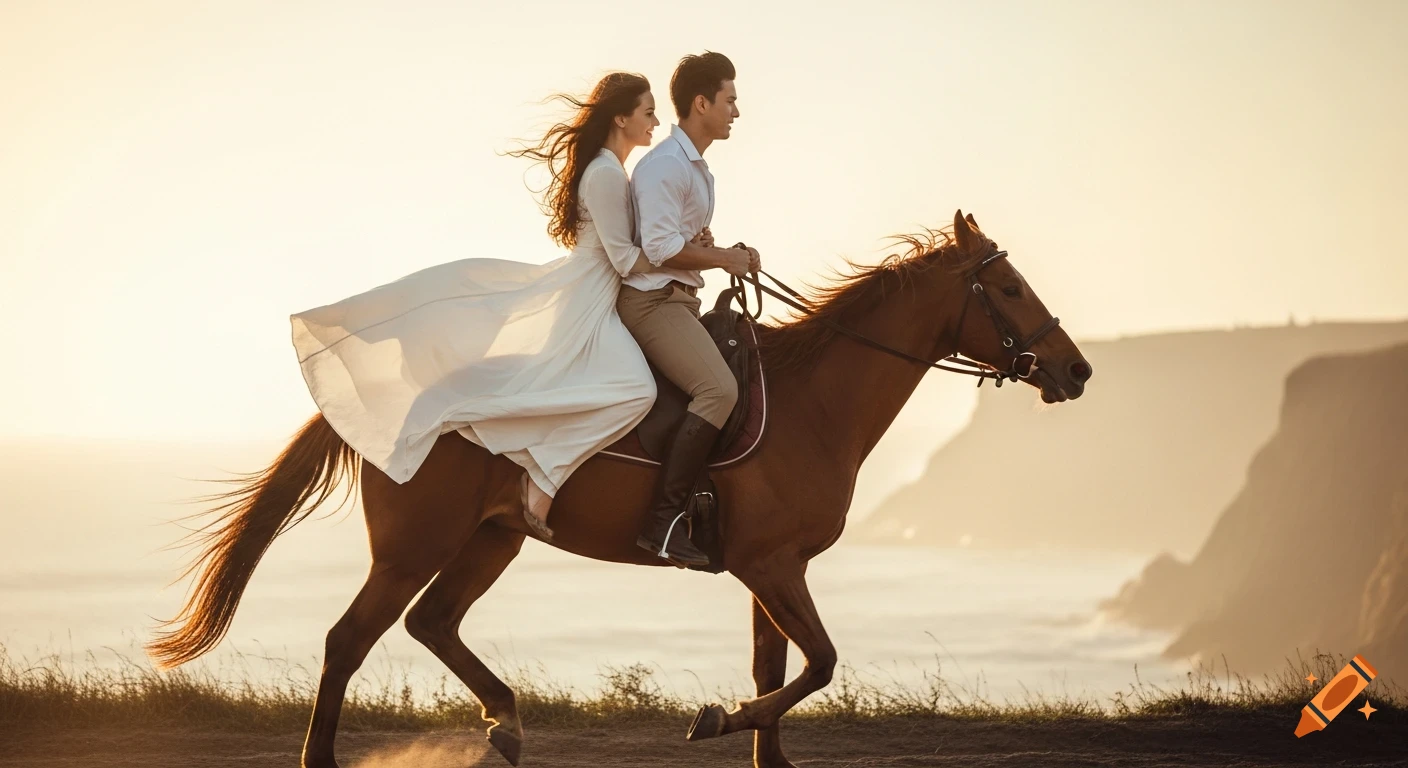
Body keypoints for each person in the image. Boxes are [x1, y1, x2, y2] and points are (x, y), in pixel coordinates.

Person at [290, 72, 679, 541]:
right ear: (622, 117)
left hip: (599, 295)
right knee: (637, 390)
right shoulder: (605, 174)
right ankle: (545, 476)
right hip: (591, 300)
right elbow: (623, 259)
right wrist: (696, 259)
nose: (656, 121)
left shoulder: (611, 170)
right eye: (649, 112)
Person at [621, 52, 762, 566]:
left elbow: (675, 238)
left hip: (680, 298)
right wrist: (724, 258)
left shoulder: (697, 171)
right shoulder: (664, 166)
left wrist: (714, 249)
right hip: (652, 302)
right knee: (718, 389)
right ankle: (663, 522)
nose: (736, 113)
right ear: (701, 103)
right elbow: (658, 249)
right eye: (730, 101)